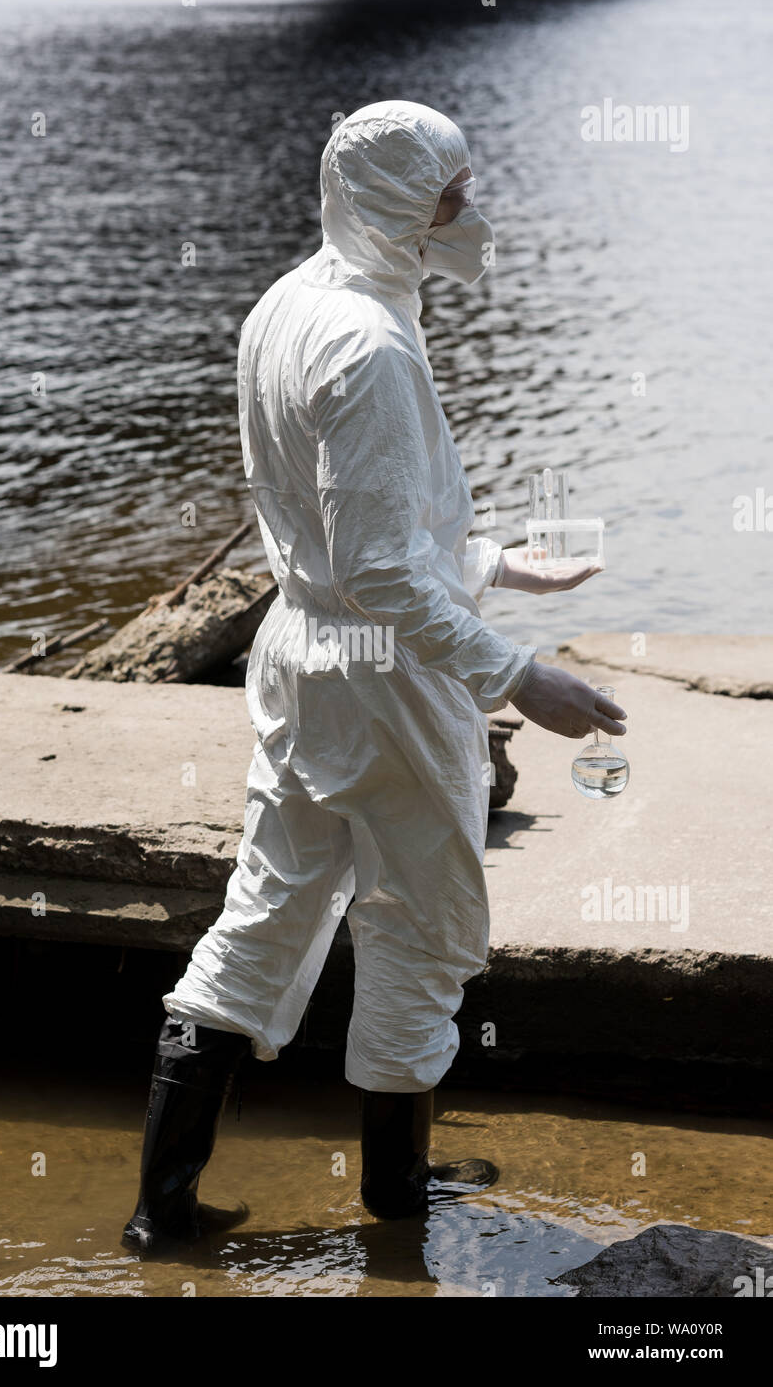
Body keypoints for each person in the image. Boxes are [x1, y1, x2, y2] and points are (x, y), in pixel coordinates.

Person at [122, 100, 627, 1252]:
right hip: (386, 680)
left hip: (304, 663)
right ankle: (397, 1196)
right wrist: (516, 676)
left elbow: (338, 534)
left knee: (268, 906)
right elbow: (380, 572)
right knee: (421, 920)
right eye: (453, 194)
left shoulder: (292, 305)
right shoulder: (374, 345)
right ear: (402, 205)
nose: (471, 213)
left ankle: (162, 1210)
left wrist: (492, 560)